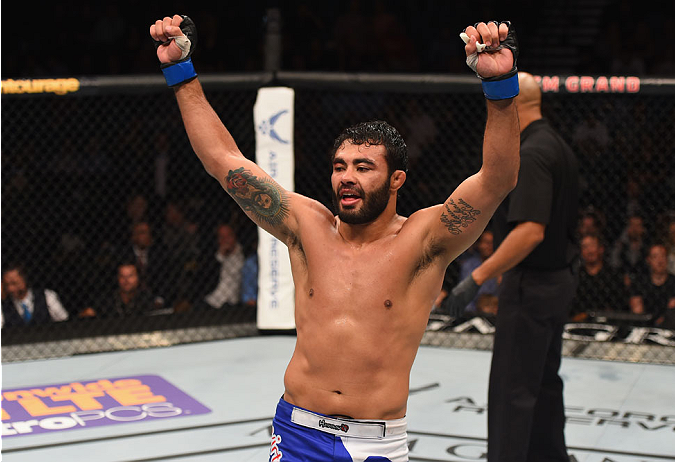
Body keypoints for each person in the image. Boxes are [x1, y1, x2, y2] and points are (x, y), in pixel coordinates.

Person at [150, 15, 520, 459]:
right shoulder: (306, 226)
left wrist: (500, 88)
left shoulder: (424, 239)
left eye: (363, 168)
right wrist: (180, 73)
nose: (347, 177)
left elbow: (497, 178)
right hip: (297, 433)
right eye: (340, 165)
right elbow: (222, 159)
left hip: (376, 441)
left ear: (396, 178)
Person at [447, 71, 579, 461]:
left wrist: (477, 276)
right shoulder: (557, 145)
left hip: (532, 284)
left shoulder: (533, 153)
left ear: (515, 104)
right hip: (557, 281)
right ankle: (550, 456)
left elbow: (530, 232)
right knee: (543, 380)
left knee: (512, 388)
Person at [572, 233, 627, 321]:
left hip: (609, 322)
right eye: (585, 247)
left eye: (592, 246)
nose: (589, 251)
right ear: (581, 251)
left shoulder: (613, 275)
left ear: (601, 249)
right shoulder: (575, 276)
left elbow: (620, 305)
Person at [445, 229, 500, 315]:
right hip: (473, 311)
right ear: (479, 244)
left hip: (496, 310)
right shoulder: (469, 265)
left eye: (492, 243)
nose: (489, 246)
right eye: (486, 242)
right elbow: (463, 294)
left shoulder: (501, 265)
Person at [629, 243, 675, 324]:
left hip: (670, 325)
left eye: (663, 256)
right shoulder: (640, 282)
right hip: (644, 325)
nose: (660, 261)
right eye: (655, 257)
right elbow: (637, 312)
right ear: (649, 260)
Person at [1, 263, 69, 328]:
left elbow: (64, 321)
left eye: (14, 283)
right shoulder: (4, 306)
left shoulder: (47, 296)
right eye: (7, 285)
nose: (10, 289)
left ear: (25, 279)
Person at [83, 262, 158, 318]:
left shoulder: (146, 298)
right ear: (118, 279)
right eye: (122, 276)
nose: (126, 280)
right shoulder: (107, 299)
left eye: (130, 276)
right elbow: (90, 312)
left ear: (137, 278)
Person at [199, 222, 246, 310]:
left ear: (235, 236)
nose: (226, 240)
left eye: (229, 236)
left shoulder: (244, 255)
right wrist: (219, 257)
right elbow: (203, 280)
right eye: (222, 237)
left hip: (235, 304)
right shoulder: (212, 257)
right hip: (212, 302)